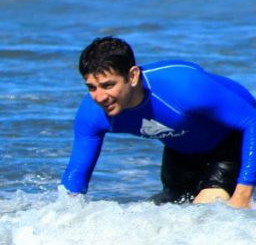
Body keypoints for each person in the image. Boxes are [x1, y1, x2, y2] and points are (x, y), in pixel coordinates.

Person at [61, 36, 256, 208]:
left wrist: (243, 194)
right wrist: (63, 215)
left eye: (108, 85)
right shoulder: (93, 113)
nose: (100, 97)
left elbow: (252, 121)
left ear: (132, 75)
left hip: (232, 142)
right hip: (180, 151)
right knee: (157, 213)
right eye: (92, 87)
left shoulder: (184, 86)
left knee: (203, 213)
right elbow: (77, 174)